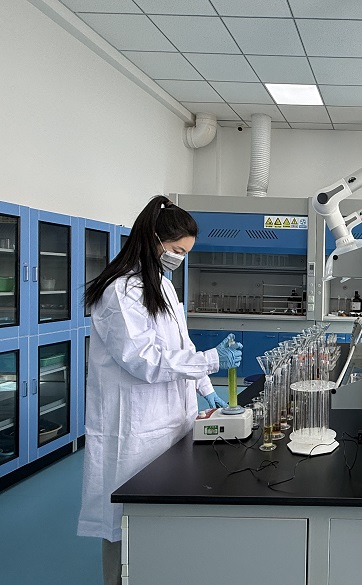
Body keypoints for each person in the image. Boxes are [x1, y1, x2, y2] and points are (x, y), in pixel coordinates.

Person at [77, 196, 243, 585]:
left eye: (185, 253)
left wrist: (205, 386)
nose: (179, 259)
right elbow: (146, 360)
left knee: (159, 518)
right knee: (126, 521)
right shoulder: (120, 291)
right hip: (133, 428)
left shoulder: (163, 287)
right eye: (176, 250)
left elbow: (180, 346)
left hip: (170, 420)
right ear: (153, 239)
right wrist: (212, 360)